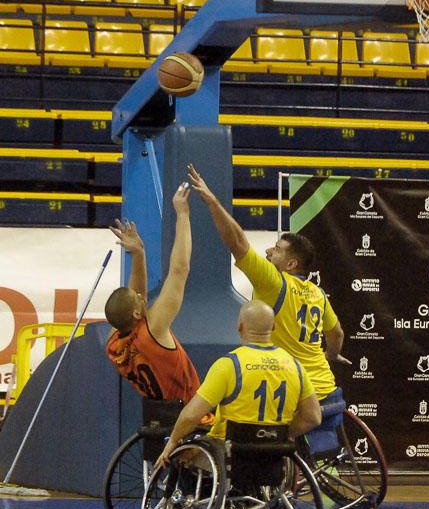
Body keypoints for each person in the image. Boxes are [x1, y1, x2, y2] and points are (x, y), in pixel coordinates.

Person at [187, 164, 350, 405]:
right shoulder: (317, 293)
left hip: (290, 390)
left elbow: (237, 243)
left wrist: (212, 202)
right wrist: (331, 355)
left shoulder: (274, 281)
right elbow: (336, 334)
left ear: (291, 264)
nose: (268, 250)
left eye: (277, 250)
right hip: (326, 390)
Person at [157, 299, 321, 467]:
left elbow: (191, 416)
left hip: (227, 457)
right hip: (273, 457)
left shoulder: (230, 365)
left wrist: (174, 441)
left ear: (240, 327)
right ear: (273, 328)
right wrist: (279, 435)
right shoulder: (296, 366)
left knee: (184, 456)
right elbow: (313, 417)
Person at [104, 181, 202, 404]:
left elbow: (135, 295)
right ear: (137, 313)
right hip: (189, 416)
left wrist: (139, 254)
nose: (142, 296)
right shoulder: (154, 329)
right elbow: (180, 269)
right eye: (138, 300)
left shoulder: (113, 343)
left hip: (156, 416)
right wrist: (183, 215)